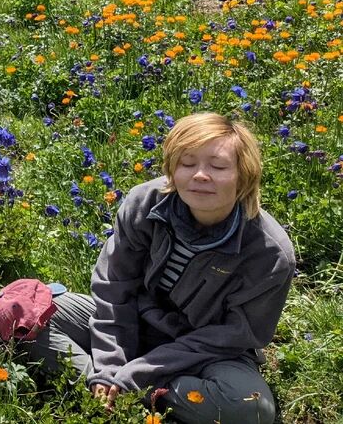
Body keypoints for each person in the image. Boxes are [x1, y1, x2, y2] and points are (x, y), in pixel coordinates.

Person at [16, 112, 295, 423]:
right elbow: (114, 290)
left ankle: (121, 394)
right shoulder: (145, 203)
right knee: (21, 313)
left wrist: (141, 374)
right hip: (134, 324)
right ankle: (108, 387)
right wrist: (110, 367)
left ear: (244, 175)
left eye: (218, 167)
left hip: (205, 354)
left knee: (252, 410)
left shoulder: (270, 253)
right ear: (172, 169)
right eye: (187, 163)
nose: (200, 175)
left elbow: (234, 335)